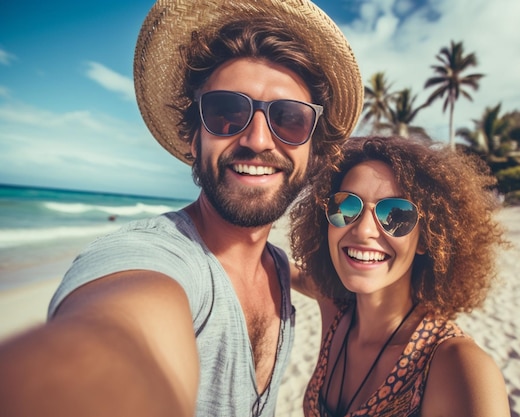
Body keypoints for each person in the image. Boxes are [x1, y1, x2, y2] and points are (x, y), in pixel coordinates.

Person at [0, 1, 362, 416]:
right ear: (194, 141)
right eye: (228, 113)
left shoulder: (276, 267)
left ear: (312, 151)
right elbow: (115, 338)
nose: (258, 140)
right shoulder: (153, 260)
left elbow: (323, 281)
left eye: (290, 119)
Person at [290, 135, 512, 416]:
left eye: (396, 214)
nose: (362, 231)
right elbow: (272, 263)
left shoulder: (460, 368)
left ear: (425, 240)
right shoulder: (335, 311)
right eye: (345, 207)